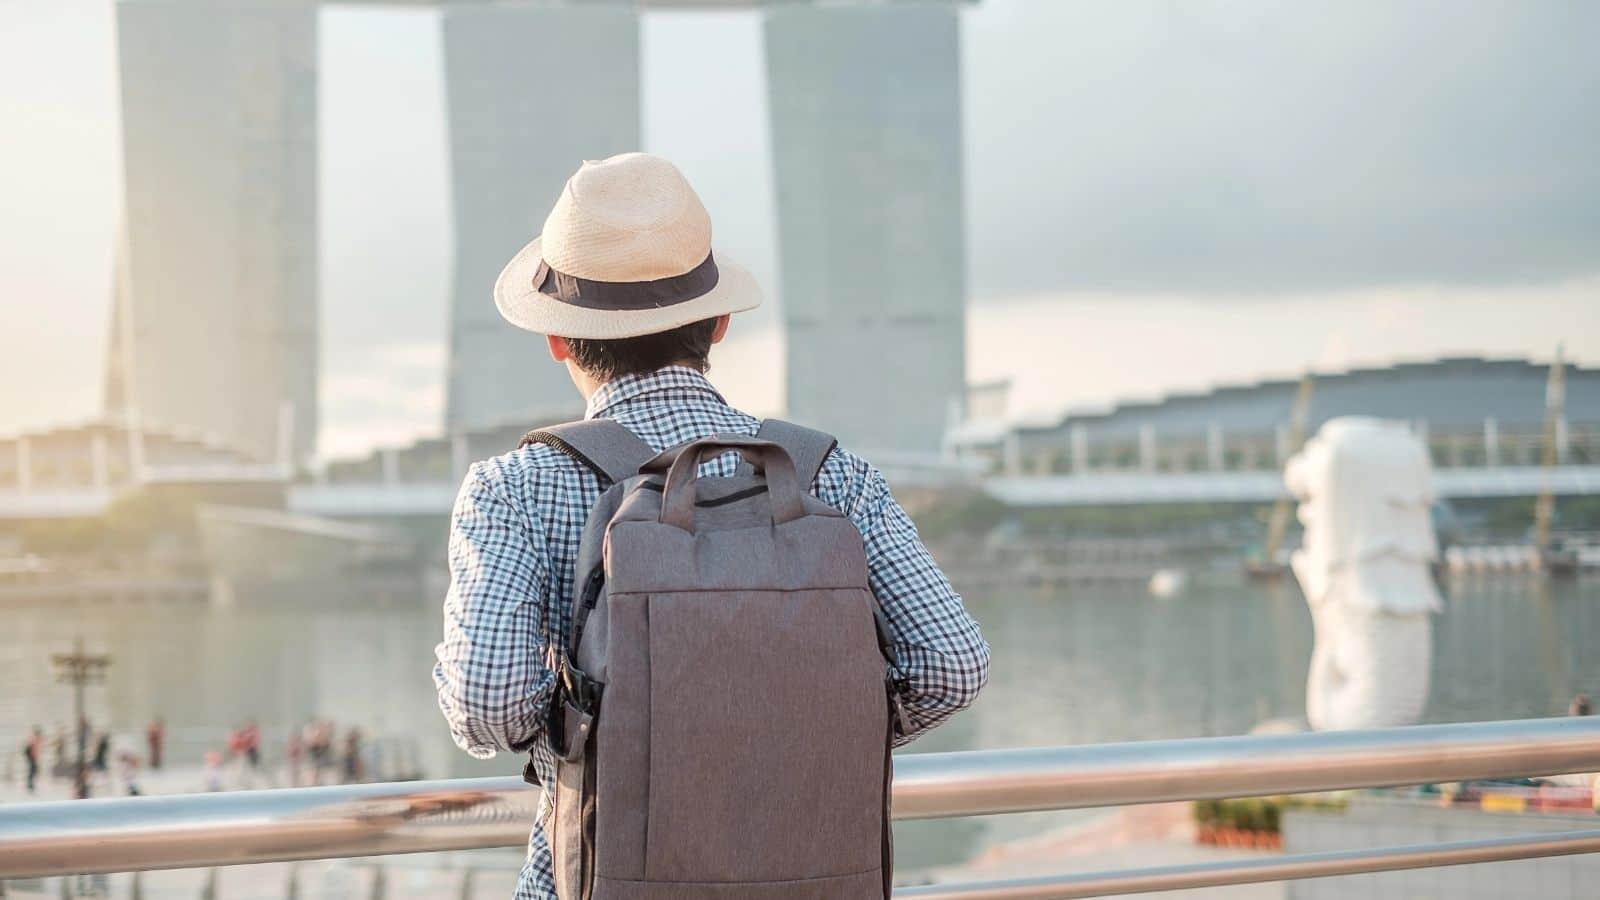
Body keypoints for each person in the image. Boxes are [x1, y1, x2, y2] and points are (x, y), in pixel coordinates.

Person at [433, 153, 990, 900]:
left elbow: (490, 702)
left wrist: (620, 737)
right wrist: (794, 726)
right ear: (720, 322)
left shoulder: (517, 488)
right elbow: (953, 665)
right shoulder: (829, 472)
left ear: (557, 339)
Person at [22, 726, 42, 794]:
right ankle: (30, 785)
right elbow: (31, 749)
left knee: (33, 770)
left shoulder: (34, 739)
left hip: (32, 757)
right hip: (31, 757)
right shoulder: (34, 739)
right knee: (33, 770)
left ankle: (30, 785)